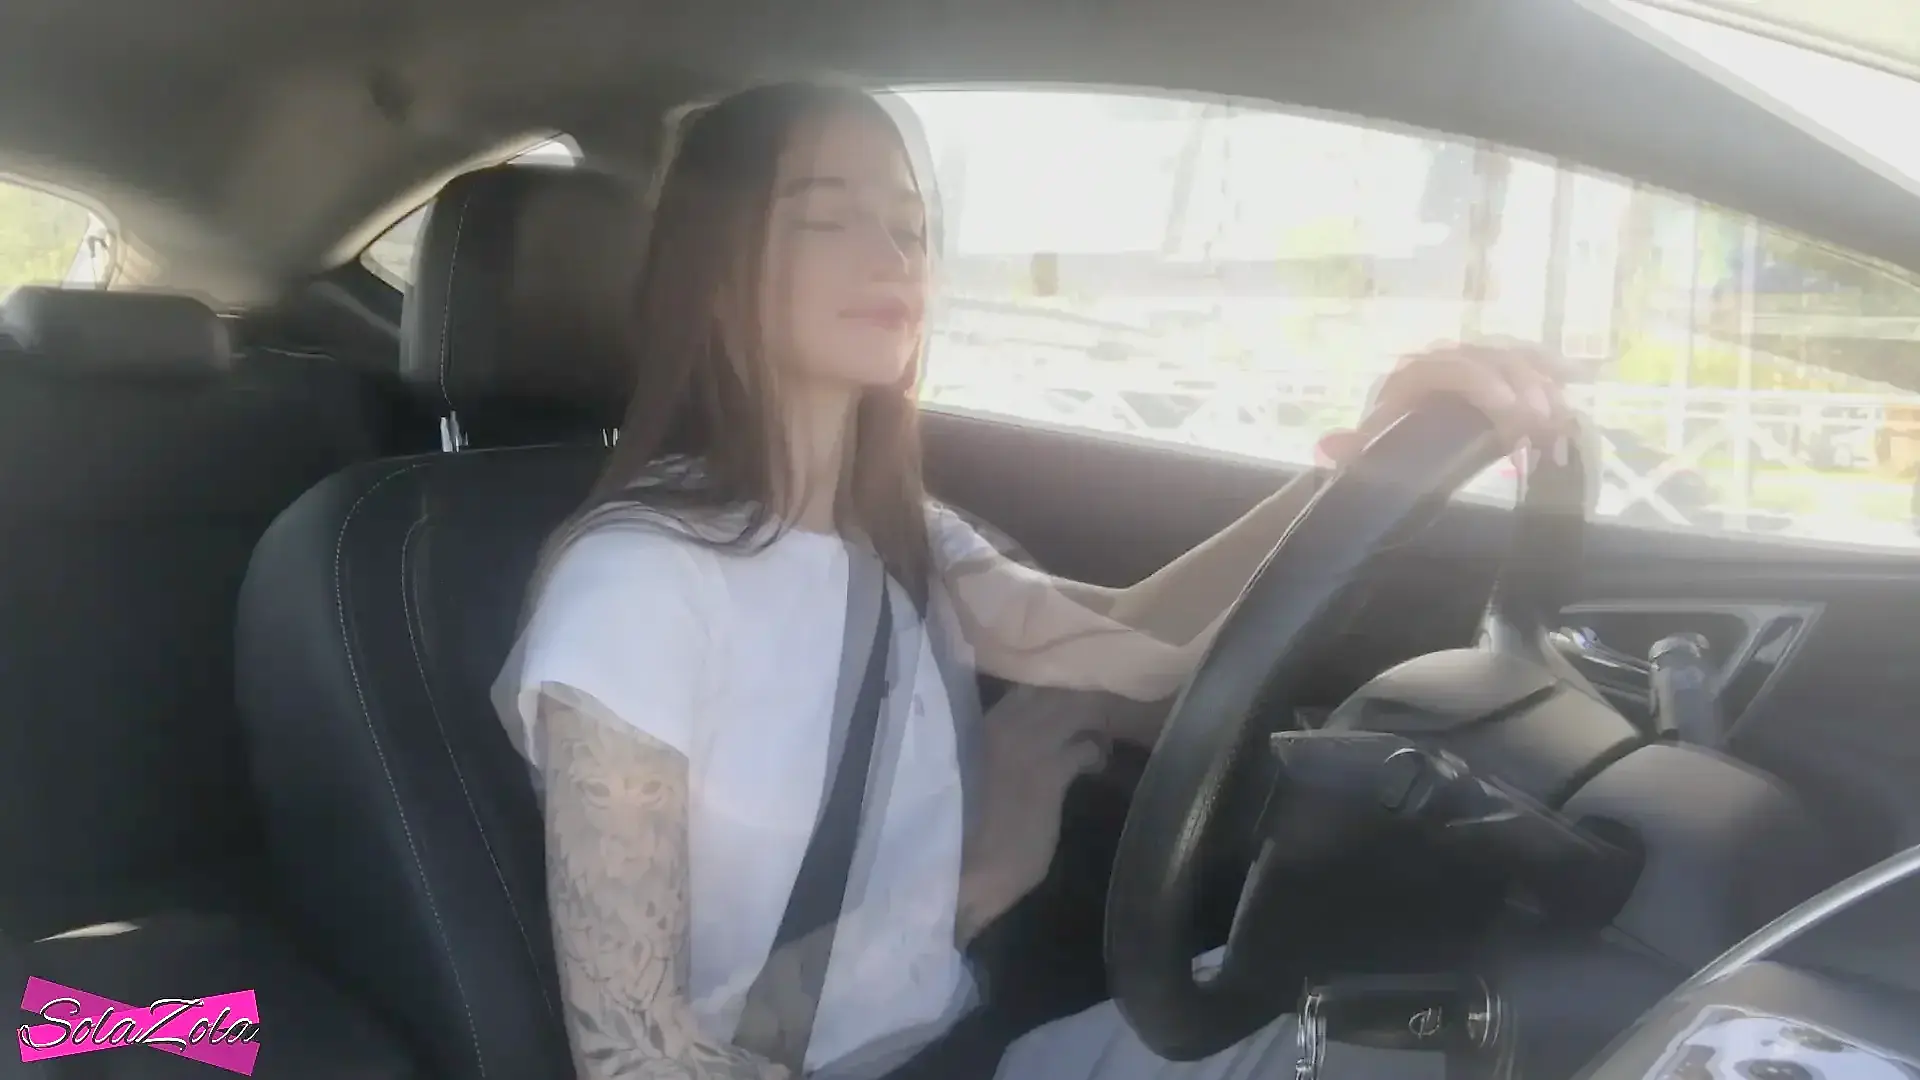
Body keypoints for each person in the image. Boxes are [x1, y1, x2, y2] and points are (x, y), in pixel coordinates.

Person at [493, 82, 1575, 1080]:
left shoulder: (891, 531)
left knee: (1429, 1031)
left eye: (911, 225)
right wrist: (973, 884)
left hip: (965, 1029)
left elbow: (1140, 649)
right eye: (827, 218)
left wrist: (1362, 459)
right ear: (717, 269)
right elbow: (633, 1061)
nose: (892, 254)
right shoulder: (637, 588)